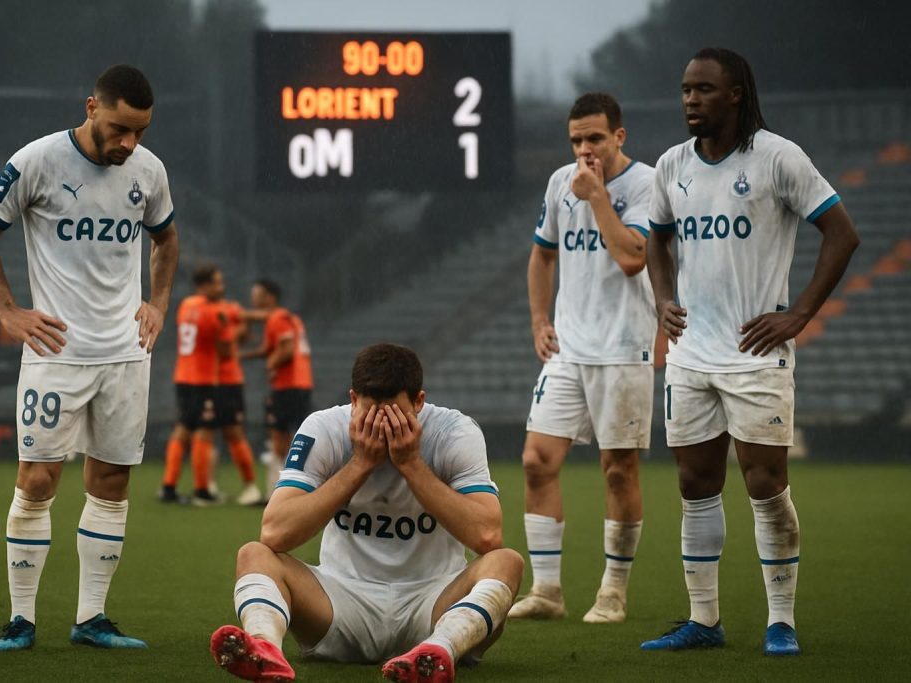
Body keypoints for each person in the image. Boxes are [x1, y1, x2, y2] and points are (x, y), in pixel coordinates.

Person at [641, 48, 859, 655]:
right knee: (694, 483)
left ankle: (781, 621)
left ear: (735, 94)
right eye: (686, 90)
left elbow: (843, 233)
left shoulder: (777, 158)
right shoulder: (671, 165)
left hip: (756, 354)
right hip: (689, 355)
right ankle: (704, 620)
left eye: (704, 90)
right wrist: (663, 298)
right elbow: (655, 239)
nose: (691, 100)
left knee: (765, 483)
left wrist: (799, 313)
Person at [0, 64, 179, 651]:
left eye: (140, 132)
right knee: (36, 480)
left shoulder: (148, 171)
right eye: (119, 128)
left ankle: (92, 619)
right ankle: (21, 620)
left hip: (127, 353)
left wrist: (157, 301)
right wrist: (8, 311)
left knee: (110, 482)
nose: (129, 142)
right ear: (90, 107)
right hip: (56, 352)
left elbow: (165, 238)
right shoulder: (36, 161)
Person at [208, 343, 523, 682]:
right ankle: (264, 648)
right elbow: (275, 533)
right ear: (353, 399)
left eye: (396, 414)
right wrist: (360, 464)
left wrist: (411, 464)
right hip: (341, 604)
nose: (381, 426)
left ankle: (439, 651)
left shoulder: (454, 432)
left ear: (419, 402)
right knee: (254, 554)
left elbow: (487, 535)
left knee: (506, 561)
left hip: (433, 604)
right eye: (371, 412)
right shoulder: (324, 428)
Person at [509, 93, 655, 624]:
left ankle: (613, 592)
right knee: (535, 461)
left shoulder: (646, 183)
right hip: (569, 346)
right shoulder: (559, 182)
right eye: (575, 140)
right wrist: (539, 320)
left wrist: (596, 197)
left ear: (620, 135)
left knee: (618, 471)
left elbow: (633, 258)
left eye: (594, 137)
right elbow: (542, 254)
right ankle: (547, 590)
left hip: (623, 346)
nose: (584, 149)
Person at [161, 264, 232, 506]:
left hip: (183, 375)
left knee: (183, 428)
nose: (221, 287)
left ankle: (169, 486)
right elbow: (225, 349)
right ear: (204, 285)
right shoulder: (215, 312)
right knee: (203, 430)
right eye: (217, 282)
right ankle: (201, 490)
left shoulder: (186, 305)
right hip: (202, 379)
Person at [240, 279, 314, 499]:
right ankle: (297, 487)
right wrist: (243, 356)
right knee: (296, 436)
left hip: (287, 385)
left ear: (269, 297)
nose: (253, 299)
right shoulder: (290, 318)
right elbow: (269, 349)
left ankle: (278, 491)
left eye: (257, 294)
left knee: (279, 438)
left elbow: (287, 350)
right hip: (301, 383)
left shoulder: (277, 319)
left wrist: (272, 363)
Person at [211, 293, 262, 505]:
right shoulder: (218, 316)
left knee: (233, 433)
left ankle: (250, 486)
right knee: (211, 434)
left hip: (227, 382)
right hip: (216, 381)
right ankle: (208, 485)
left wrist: (235, 331)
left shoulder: (224, 320)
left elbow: (232, 342)